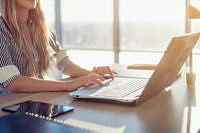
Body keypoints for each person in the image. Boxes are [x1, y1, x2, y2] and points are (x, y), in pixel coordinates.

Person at [0, 0, 116, 94]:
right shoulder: (2, 28)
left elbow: (65, 64)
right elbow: (13, 82)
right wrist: (69, 85)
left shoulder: (41, 26)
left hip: (37, 101)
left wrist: (91, 74)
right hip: (9, 108)